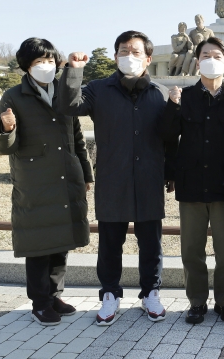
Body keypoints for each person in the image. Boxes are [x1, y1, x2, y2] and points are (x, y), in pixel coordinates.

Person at [57, 31, 169, 326]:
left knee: (151, 245)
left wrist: (169, 175)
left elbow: (169, 139)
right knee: (109, 244)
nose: (127, 57)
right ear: (115, 56)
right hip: (113, 178)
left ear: (147, 58)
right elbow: (68, 106)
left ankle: (151, 293)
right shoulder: (97, 89)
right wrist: (73, 73)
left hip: (148, 179)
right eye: (122, 51)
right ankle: (110, 294)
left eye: (134, 52)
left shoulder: (160, 93)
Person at [0, 37, 93, 326]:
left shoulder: (64, 92)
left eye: (50, 60)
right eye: (39, 62)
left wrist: (86, 173)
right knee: (39, 243)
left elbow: (77, 138)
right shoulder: (14, 96)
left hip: (65, 176)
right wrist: (6, 127)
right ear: (27, 66)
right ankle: (39, 302)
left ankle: (54, 295)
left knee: (61, 240)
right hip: (35, 180)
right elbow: (2, 146)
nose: (46, 66)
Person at [162, 37, 224, 325]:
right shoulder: (183, 97)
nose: (211, 59)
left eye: (217, 55)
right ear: (198, 62)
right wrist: (172, 107)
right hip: (192, 185)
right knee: (191, 250)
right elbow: (168, 138)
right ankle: (196, 301)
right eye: (206, 55)